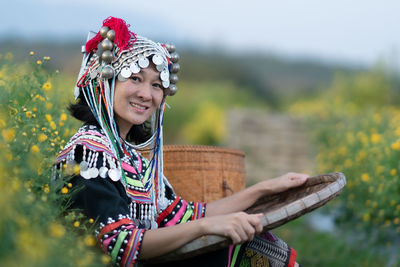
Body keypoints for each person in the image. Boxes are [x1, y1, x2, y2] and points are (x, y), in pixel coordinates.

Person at [55, 16, 308, 267]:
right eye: (135, 78)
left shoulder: (130, 157)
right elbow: (122, 243)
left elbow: (186, 215)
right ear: (105, 81)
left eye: (156, 85)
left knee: (254, 244)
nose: (146, 94)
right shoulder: (88, 152)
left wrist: (264, 189)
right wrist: (205, 227)